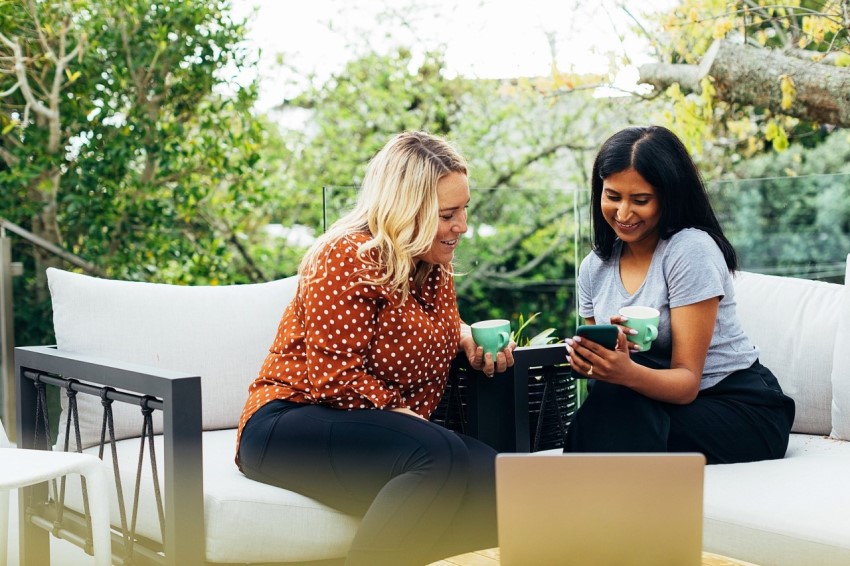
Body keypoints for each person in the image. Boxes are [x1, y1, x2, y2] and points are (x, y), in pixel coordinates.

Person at [235, 130, 515, 566]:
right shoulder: (344, 256)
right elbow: (334, 380)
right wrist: (407, 420)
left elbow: (427, 324)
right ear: (409, 210)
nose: (462, 225)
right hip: (289, 421)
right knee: (438, 455)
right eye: (448, 214)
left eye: (464, 210)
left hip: (381, 428)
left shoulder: (432, 266)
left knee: (502, 481)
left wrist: (463, 335)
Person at [563, 125, 795, 465]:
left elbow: (687, 383)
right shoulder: (593, 268)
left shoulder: (689, 251)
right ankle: (584, 505)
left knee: (620, 416)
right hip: (648, 402)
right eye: (613, 196)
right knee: (612, 401)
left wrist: (624, 372)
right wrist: (594, 362)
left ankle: (565, 502)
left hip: (738, 407)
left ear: (668, 197)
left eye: (640, 200)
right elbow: (607, 373)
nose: (624, 213)